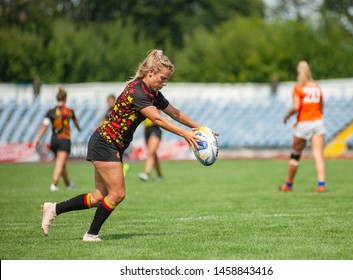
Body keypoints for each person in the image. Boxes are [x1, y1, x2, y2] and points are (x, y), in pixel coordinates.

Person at [40, 49, 219, 242]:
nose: (164, 83)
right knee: (117, 194)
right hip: (105, 143)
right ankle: (91, 234)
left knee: (99, 198)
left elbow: (174, 113)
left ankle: (54, 208)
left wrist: (200, 128)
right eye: (162, 78)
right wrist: (184, 133)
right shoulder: (137, 91)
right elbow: (158, 119)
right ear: (150, 72)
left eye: (167, 79)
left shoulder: (153, 93)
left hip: (109, 143)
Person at [279, 60, 326, 193]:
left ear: (299, 72)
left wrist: (287, 116)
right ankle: (321, 184)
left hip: (304, 123)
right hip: (318, 122)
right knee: (318, 154)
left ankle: (288, 184)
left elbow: (296, 107)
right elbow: (321, 107)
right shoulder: (317, 87)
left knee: (295, 154)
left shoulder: (298, 87)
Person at [35, 87, 81, 191]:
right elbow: (76, 123)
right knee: (60, 163)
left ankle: (68, 184)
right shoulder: (69, 111)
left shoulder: (50, 112)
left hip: (54, 140)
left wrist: (38, 138)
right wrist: (79, 128)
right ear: (65, 98)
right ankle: (54, 184)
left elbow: (44, 126)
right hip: (64, 139)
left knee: (62, 164)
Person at [98, 94, 131, 177]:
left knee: (115, 153)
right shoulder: (108, 110)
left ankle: (121, 168)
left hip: (116, 134)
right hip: (109, 134)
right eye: (108, 101)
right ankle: (121, 169)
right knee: (113, 154)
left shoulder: (116, 109)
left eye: (111, 101)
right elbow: (103, 121)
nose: (110, 103)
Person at [138, 113, 164, 182]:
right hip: (147, 129)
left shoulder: (154, 103)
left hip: (155, 128)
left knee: (151, 152)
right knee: (153, 154)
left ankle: (146, 173)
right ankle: (159, 175)